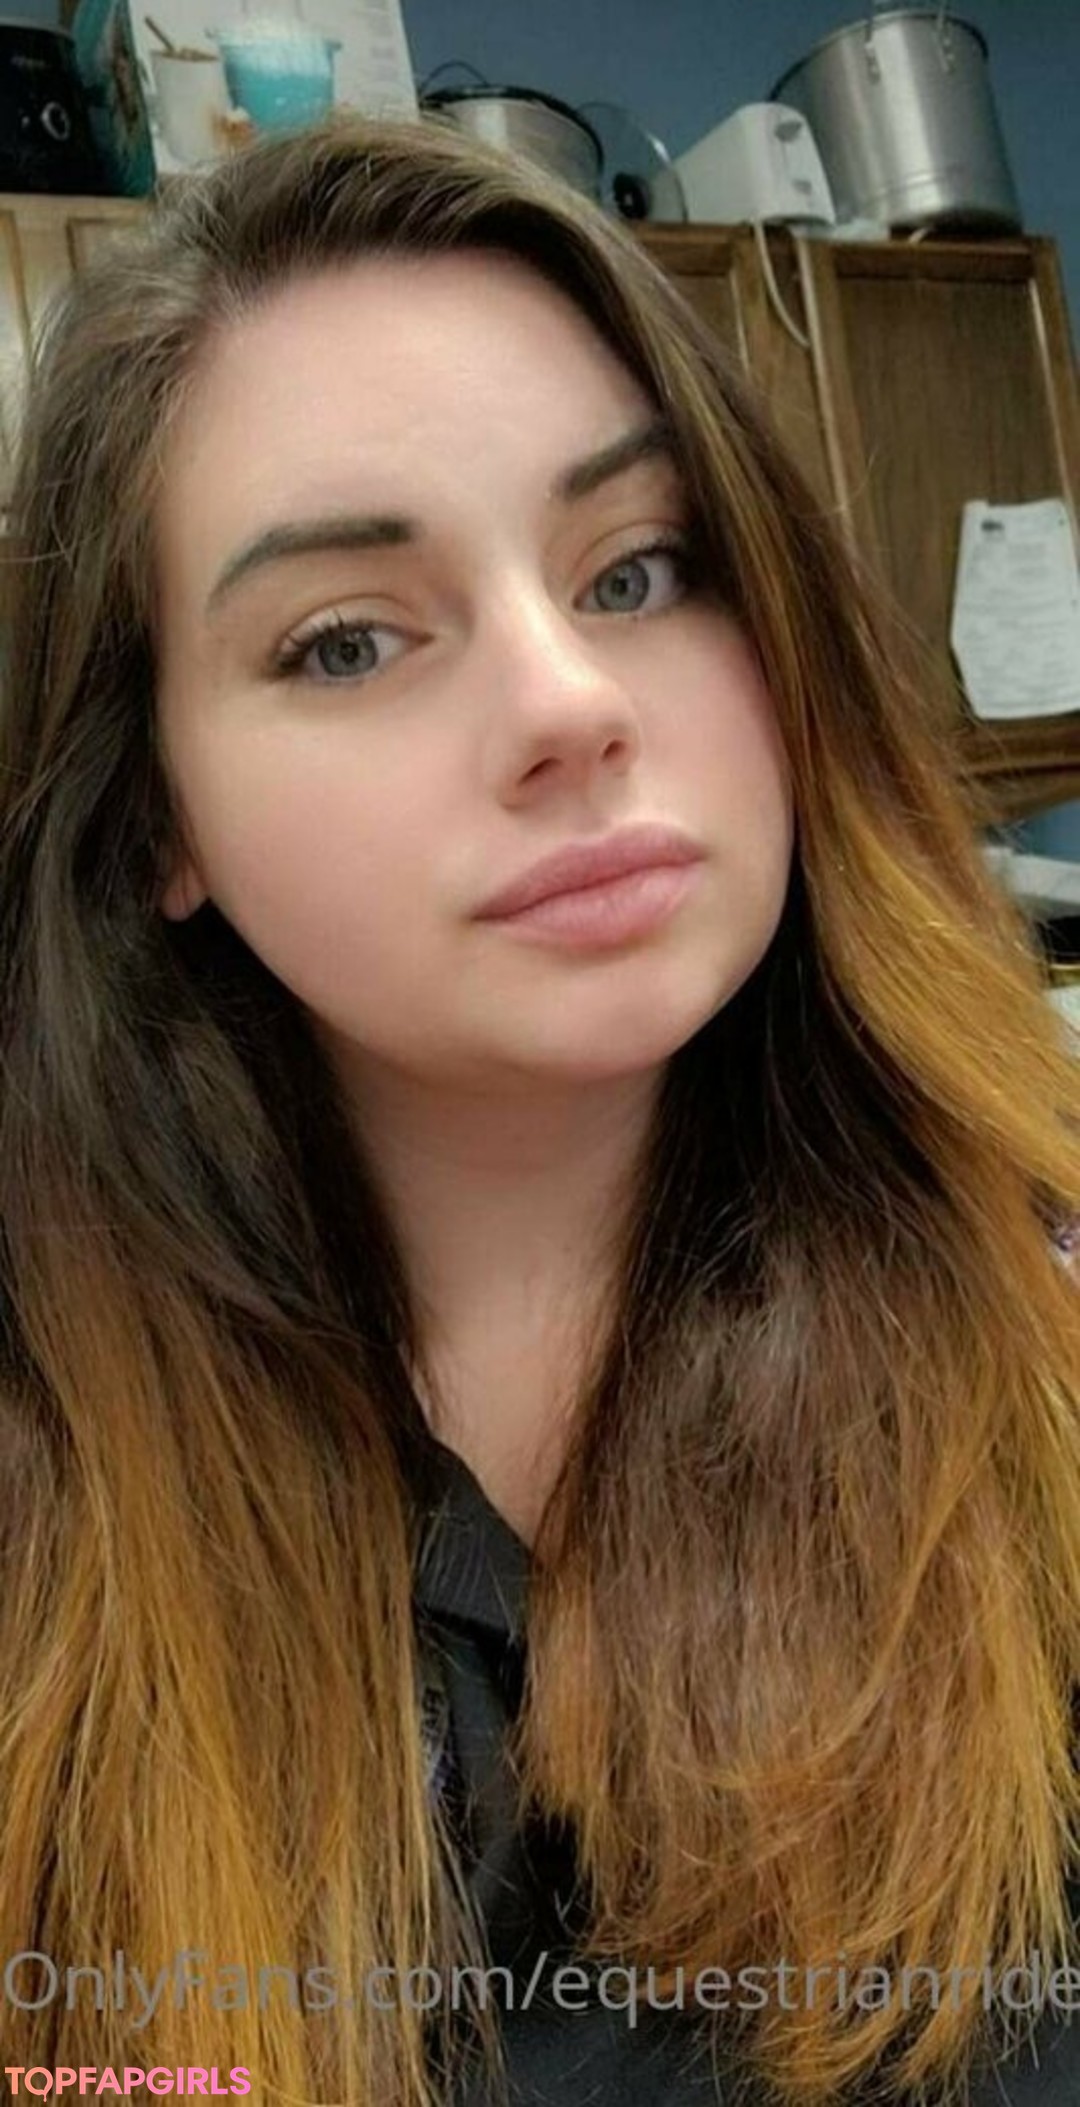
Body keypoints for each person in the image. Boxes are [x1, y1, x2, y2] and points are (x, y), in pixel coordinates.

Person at [0, 111, 1078, 2107]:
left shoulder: (1042, 1355)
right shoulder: (55, 1515)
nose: (571, 702)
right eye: (347, 639)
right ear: (160, 818)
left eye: (639, 569)